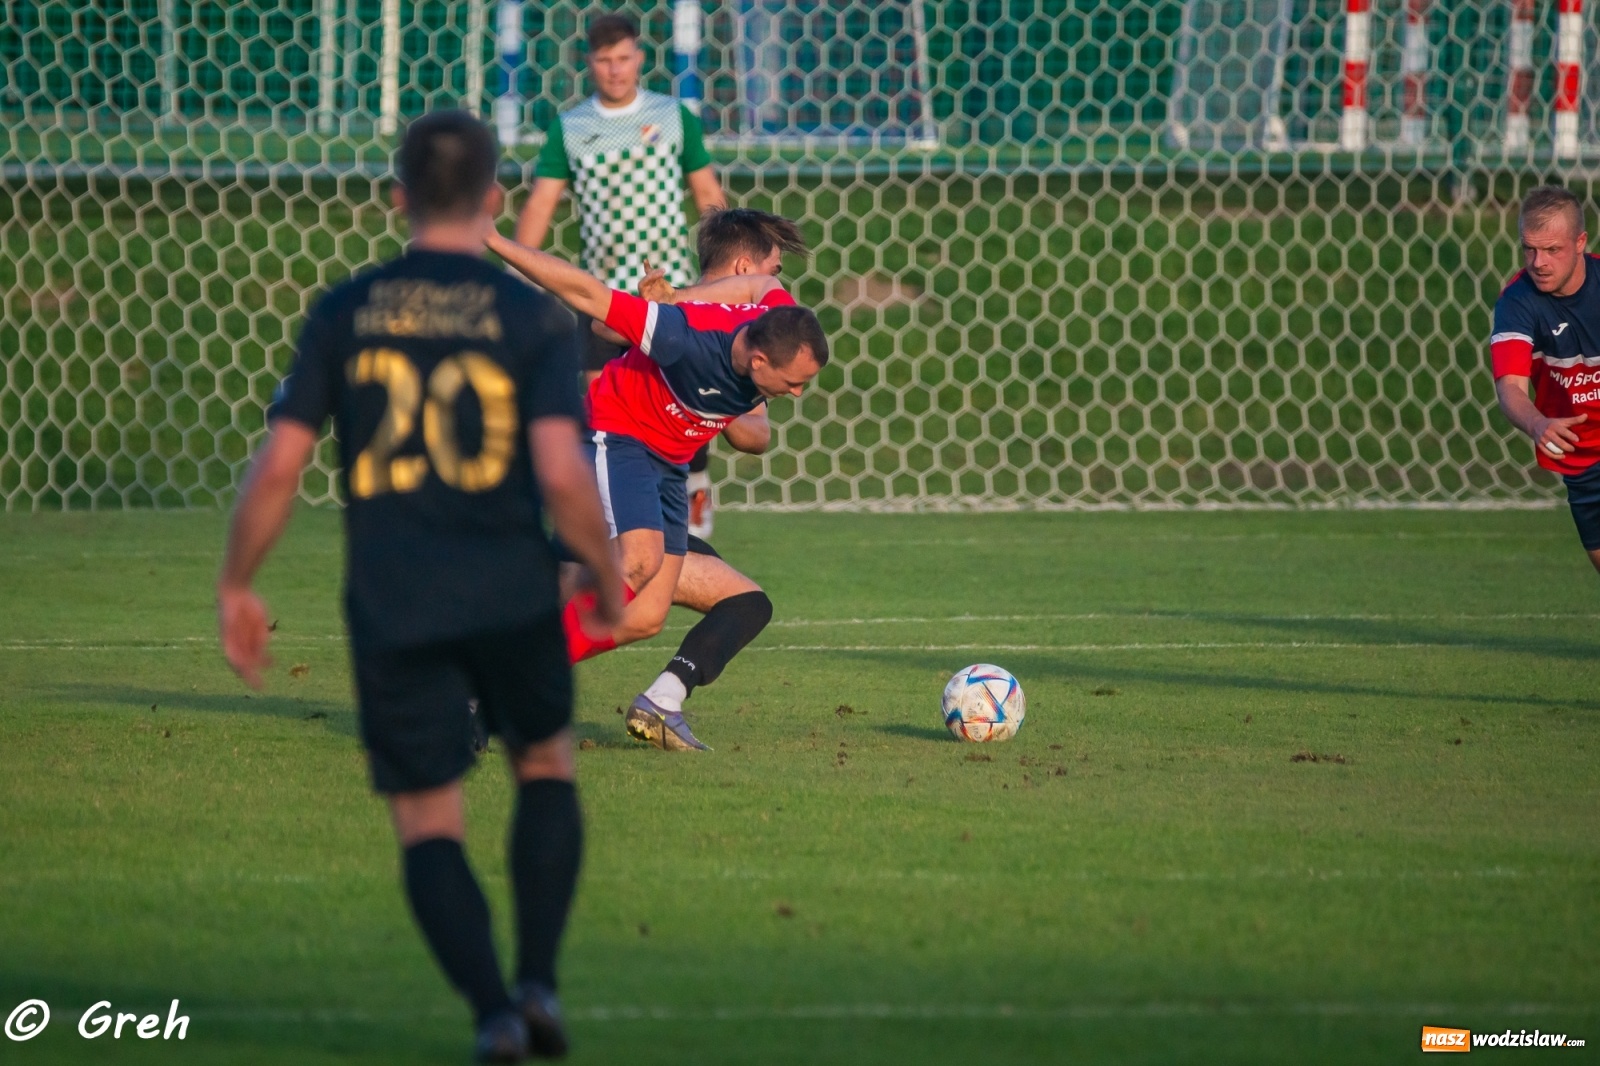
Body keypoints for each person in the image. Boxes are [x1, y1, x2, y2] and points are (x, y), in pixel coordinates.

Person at [216, 111, 626, 1063]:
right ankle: (539, 982)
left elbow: (279, 465)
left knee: (429, 816)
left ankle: (490, 1014)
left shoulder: (348, 308)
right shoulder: (533, 314)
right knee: (544, 765)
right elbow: (564, 473)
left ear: (397, 196)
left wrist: (238, 581)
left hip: (393, 598)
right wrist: (604, 572)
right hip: (510, 587)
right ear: (493, 202)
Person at [485, 224, 827, 752]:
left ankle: (650, 698)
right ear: (759, 362)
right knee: (638, 561)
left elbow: (761, 290)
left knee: (645, 616)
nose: (800, 394)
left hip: (667, 464)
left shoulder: (770, 317)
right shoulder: (679, 334)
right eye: (795, 383)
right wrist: (494, 239)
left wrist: (682, 297)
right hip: (616, 437)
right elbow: (588, 297)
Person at [1491, 185, 1600, 576]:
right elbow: (1510, 387)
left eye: (1552, 250)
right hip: (1582, 453)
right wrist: (1538, 424)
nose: (1538, 262)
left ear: (1581, 242)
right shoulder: (1517, 304)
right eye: (1529, 249)